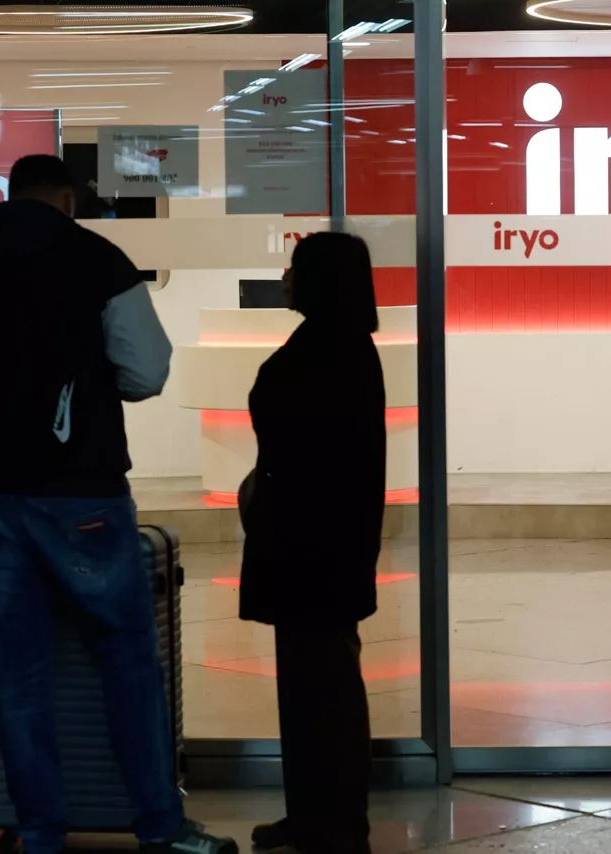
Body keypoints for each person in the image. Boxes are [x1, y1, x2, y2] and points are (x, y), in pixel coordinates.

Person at [0, 154, 236, 854]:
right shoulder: (96, 260)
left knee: (18, 672)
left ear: (6, 198)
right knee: (124, 655)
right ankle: (159, 826)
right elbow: (146, 372)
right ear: (65, 199)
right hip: (82, 492)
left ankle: (39, 834)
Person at [240, 232, 385, 854]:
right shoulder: (339, 344)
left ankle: (334, 819)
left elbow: (303, 445)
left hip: (313, 545)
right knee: (314, 684)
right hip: (317, 543)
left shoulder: (332, 349)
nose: (287, 276)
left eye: (297, 268)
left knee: (320, 686)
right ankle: (316, 814)